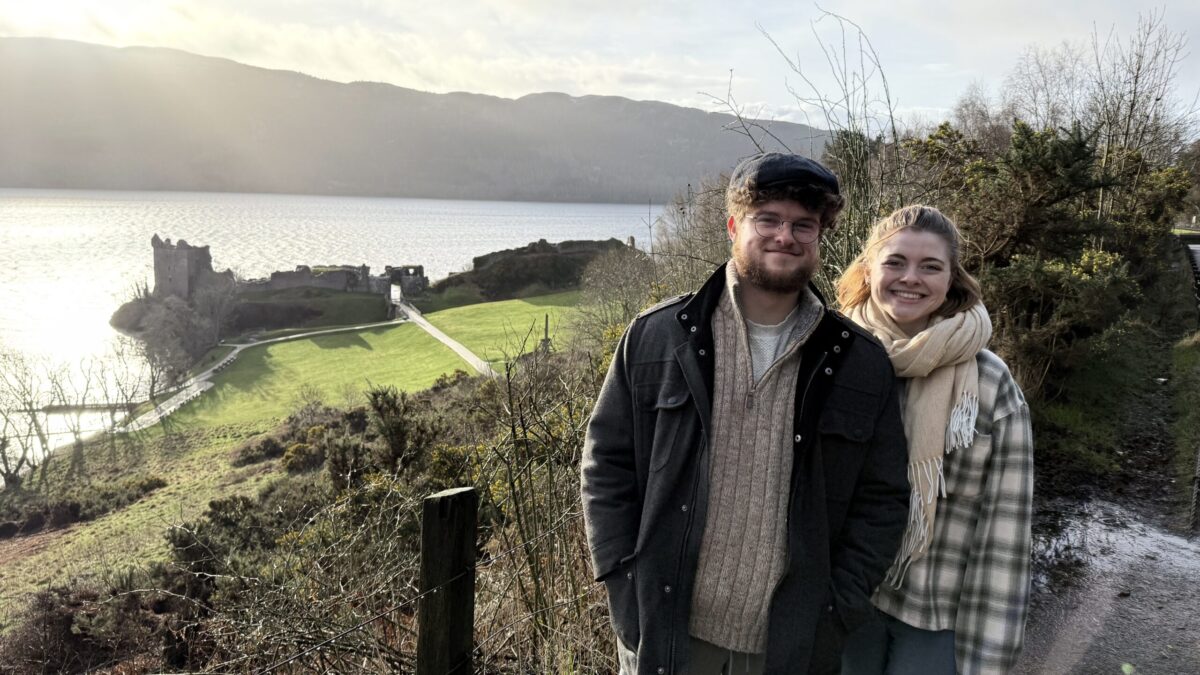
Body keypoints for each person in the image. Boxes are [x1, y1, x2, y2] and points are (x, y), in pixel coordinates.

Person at [580, 152, 911, 675]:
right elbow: (607, 469)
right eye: (769, 219)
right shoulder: (657, 339)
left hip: (793, 646)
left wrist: (839, 607)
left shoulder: (859, 364)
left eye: (804, 224)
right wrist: (625, 589)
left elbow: (883, 500)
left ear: (819, 238)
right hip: (670, 636)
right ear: (734, 226)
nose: (786, 235)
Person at [835, 205, 1033, 675]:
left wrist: (989, 660)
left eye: (930, 266)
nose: (911, 278)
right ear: (869, 271)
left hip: (934, 617)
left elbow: (1005, 532)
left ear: (952, 279)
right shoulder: (835, 361)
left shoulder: (988, 383)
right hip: (841, 603)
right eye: (895, 262)